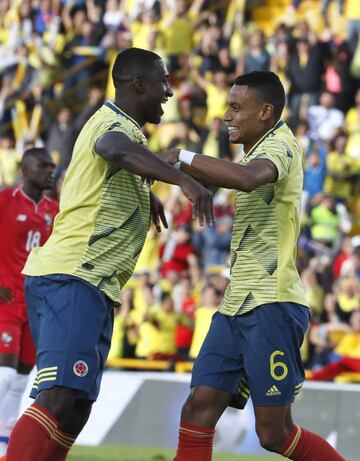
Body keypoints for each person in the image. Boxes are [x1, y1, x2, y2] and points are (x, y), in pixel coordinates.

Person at [6, 47, 214, 461]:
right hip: (73, 276)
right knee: (59, 396)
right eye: (163, 82)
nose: (169, 93)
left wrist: (146, 192)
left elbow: (121, 163)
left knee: (77, 407)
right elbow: (112, 148)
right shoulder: (110, 122)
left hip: (97, 286)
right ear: (138, 84)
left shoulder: (133, 137)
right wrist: (181, 182)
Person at [160, 71, 345, 460]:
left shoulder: (281, 146)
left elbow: (246, 180)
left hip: (272, 305)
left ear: (265, 112)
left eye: (235, 107)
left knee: (274, 434)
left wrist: (182, 156)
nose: (227, 115)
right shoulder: (257, 148)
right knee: (197, 408)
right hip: (235, 305)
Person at [0, 147, 58, 460]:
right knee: (4, 375)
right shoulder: (5, 200)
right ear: (24, 169)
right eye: (43, 166)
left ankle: (5, 445)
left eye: (52, 166)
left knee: (22, 379)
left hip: (37, 303)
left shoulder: (56, 210)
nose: (50, 171)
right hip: (5, 299)